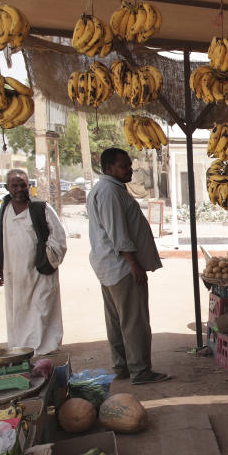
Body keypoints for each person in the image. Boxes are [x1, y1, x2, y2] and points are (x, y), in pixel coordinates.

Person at [87, 148, 170, 384]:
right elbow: (118, 234)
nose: (130, 170)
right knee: (135, 321)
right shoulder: (109, 192)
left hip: (108, 267)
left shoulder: (106, 189)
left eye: (129, 165)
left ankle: (122, 366)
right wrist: (134, 264)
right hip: (121, 267)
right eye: (124, 166)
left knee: (116, 320)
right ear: (109, 168)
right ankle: (140, 370)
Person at [0, 169, 66, 355]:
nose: (19, 189)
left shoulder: (41, 208)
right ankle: (23, 349)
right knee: (19, 313)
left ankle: (42, 350)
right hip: (14, 274)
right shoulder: (2, 211)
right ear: (7, 188)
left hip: (40, 273)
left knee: (41, 311)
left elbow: (59, 236)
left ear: (29, 186)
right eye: (14, 186)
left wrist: (49, 258)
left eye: (23, 185)